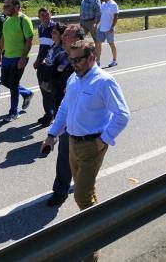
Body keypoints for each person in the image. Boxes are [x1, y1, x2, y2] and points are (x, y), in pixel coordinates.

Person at [42, 39, 130, 262]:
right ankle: (95, 219)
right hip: (72, 142)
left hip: (92, 145)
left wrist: (104, 140)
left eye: (78, 60)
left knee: (81, 195)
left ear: (91, 57)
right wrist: (52, 135)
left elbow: (122, 114)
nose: (73, 64)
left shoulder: (104, 82)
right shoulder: (74, 78)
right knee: (87, 192)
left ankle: (92, 251)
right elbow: (64, 108)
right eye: (71, 59)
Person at [46, 24, 85, 208]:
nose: (64, 38)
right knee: (64, 156)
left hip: (82, 120)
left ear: (77, 39)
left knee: (81, 159)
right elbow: (52, 77)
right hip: (64, 114)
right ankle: (60, 191)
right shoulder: (61, 55)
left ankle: (84, 189)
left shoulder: (86, 60)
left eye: (68, 36)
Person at [1, 0, 35, 122]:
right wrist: (0, 52)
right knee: (5, 81)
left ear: (16, 6)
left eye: (7, 6)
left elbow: (29, 40)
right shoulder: (7, 20)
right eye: (4, 7)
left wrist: (23, 58)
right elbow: (3, 37)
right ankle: (26, 93)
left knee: (13, 84)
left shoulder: (24, 20)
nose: (4, 9)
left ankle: (13, 112)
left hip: (18, 57)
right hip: (7, 57)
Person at [36, 22, 68, 127]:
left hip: (55, 80)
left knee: (55, 102)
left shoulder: (62, 49)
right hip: (46, 74)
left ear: (62, 35)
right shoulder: (54, 45)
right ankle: (49, 115)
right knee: (46, 97)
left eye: (54, 33)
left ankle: (57, 125)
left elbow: (59, 66)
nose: (52, 35)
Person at [33, 8, 55, 121]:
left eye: (47, 15)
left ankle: (54, 115)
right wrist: (37, 60)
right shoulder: (40, 28)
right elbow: (42, 47)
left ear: (50, 15)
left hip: (52, 64)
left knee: (52, 90)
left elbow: (57, 47)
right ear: (39, 17)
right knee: (43, 89)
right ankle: (48, 114)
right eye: (42, 15)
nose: (45, 17)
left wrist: (49, 60)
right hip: (41, 64)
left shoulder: (55, 28)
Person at [95, 0, 119, 67]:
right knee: (98, 43)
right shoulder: (103, 4)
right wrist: (97, 24)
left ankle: (114, 60)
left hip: (109, 28)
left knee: (111, 44)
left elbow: (116, 17)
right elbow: (102, 15)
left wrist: (112, 27)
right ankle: (98, 61)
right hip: (101, 27)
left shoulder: (113, 4)